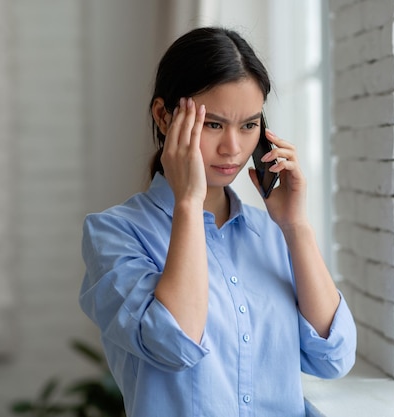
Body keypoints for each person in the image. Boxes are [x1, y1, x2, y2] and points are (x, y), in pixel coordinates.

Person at [79, 26, 356, 417]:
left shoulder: (274, 234)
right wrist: (188, 203)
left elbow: (334, 357)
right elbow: (174, 344)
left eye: (248, 125)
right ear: (164, 116)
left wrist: (295, 226)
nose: (233, 148)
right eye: (213, 124)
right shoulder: (114, 234)